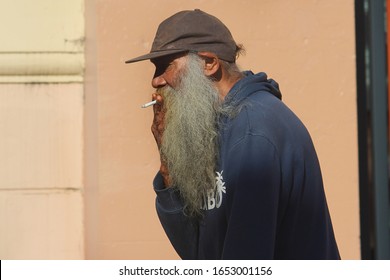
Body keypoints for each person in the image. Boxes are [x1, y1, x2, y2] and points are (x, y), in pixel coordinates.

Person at [126, 9, 340, 260]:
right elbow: (198, 253)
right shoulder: (215, 127)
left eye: (166, 66)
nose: (156, 81)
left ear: (209, 63)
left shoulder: (253, 133)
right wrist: (168, 169)